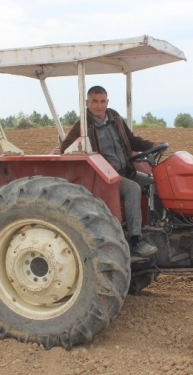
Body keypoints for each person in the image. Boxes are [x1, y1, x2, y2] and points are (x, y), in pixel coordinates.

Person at [61, 85, 159, 257]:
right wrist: (89, 155)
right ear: (87, 103)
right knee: (133, 189)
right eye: (94, 102)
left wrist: (152, 146)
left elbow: (131, 140)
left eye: (102, 101)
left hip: (126, 171)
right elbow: (65, 148)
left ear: (107, 101)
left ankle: (157, 227)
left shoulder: (114, 117)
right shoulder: (84, 125)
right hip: (106, 177)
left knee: (154, 184)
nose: (99, 106)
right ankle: (136, 239)